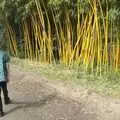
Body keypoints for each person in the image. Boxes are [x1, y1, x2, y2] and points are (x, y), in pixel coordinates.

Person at [0, 50, 11, 117]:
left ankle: (0, 112)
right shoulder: (4, 54)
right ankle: (6, 100)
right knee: (4, 89)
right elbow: (7, 65)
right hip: (3, 77)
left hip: (3, 77)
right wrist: (8, 76)